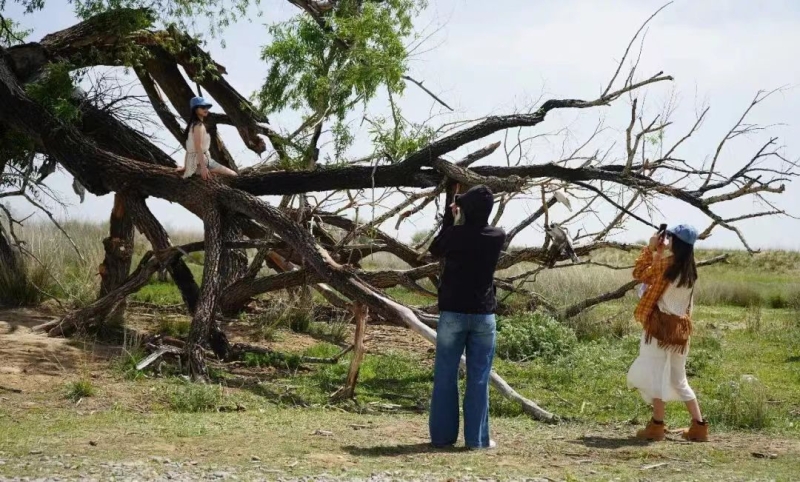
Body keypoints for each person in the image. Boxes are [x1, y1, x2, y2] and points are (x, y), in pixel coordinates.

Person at [427, 184, 505, 450]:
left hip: (452, 312)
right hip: (483, 315)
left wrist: (450, 218)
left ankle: (441, 437)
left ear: (466, 210)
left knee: (445, 375)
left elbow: (435, 249)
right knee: (479, 377)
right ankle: (477, 440)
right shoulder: (497, 235)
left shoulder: (455, 235)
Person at [627, 224, 709, 442]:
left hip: (659, 328)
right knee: (678, 378)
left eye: (670, 237)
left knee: (656, 374)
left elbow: (639, 273)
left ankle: (657, 426)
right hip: (680, 332)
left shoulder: (666, 264)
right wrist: (660, 253)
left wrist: (650, 248)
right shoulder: (690, 270)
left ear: (675, 241)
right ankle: (699, 427)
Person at [176, 97, 237, 180]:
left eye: (207, 107)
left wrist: (186, 166)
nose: (206, 109)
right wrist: (203, 167)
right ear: (195, 109)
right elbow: (198, 147)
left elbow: (189, 148)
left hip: (193, 162)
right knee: (234, 175)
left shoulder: (192, 125)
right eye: (202, 107)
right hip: (203, 161)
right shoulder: (198, 126)